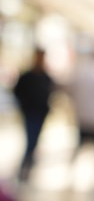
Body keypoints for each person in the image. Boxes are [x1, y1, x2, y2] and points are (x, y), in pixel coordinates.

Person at [13, 48, 54, 182]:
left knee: (35, 139)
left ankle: (28, 163)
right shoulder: (27, 76)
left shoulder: (46, 77)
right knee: (31, 139)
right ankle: (26, 165)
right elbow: (17, 92)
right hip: (30, 112)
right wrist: (24, 104)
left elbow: (50, 93)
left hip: (40, 112)